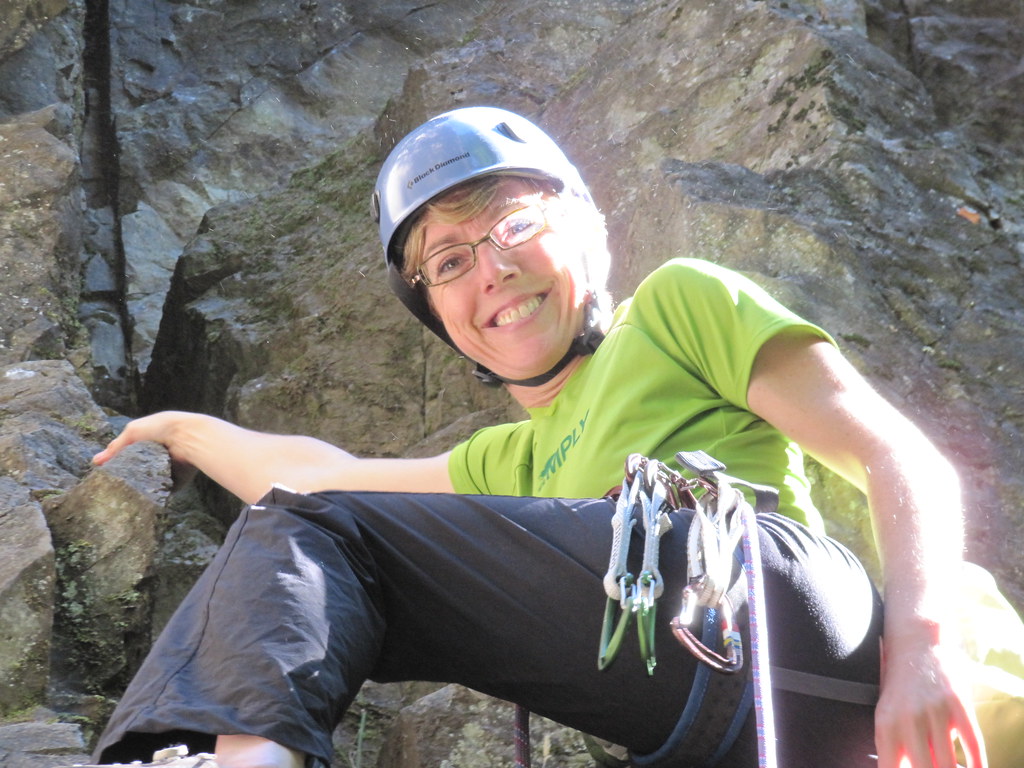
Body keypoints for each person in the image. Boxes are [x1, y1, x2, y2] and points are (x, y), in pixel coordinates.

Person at [86, 106, 985, 768]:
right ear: (439, 316)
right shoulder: (505, 466)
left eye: (514, 224)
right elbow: (323, 479)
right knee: (306, 520)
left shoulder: (677, 306)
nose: (495, 267)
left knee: (312, 524)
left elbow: (896, 454)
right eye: (449, 262)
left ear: (588, 232)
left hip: (779, 607)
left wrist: (924, 644)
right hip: (730, 722)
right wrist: (185, 430)